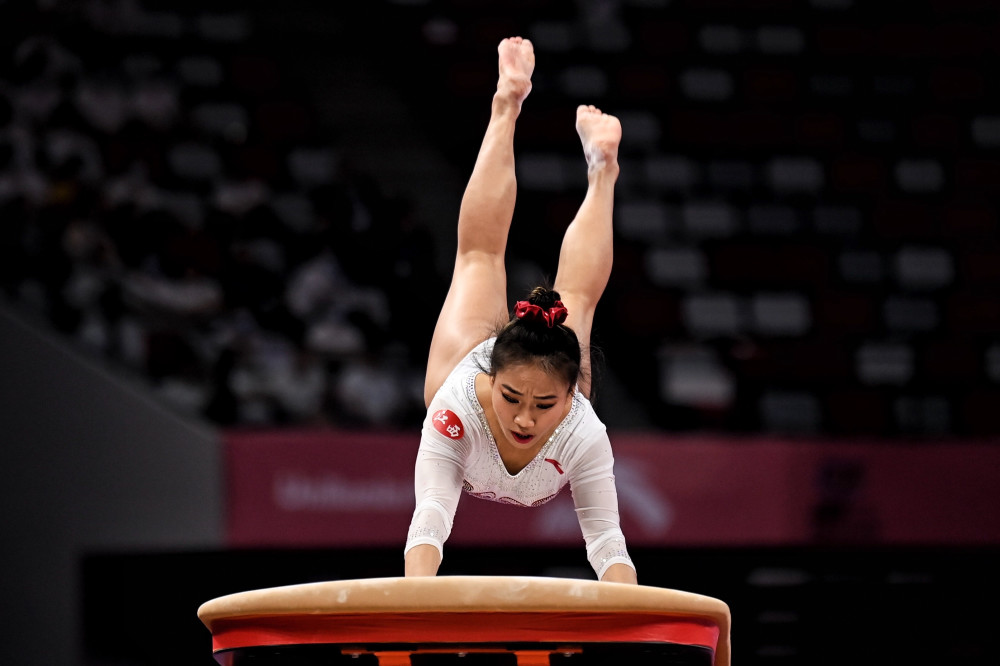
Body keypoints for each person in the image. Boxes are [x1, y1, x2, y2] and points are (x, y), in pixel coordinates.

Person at [404, 37, 637, 584]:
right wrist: (416, 599)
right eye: (511, 397)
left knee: (576, 299)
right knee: (479, 257)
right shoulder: (456, 412)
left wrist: (631, 619)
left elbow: (607, 541)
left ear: (570, 397)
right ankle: (506, 102)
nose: (526, 418)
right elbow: (431, 518)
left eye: (543, 403)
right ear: (491, 377)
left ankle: (604, 168)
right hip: (461, 370)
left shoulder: (583, 431)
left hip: (548, 375)